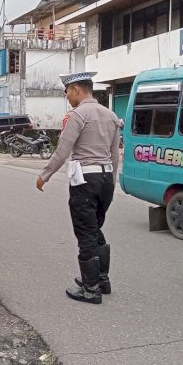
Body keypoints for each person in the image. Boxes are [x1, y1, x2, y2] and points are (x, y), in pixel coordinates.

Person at [37, 72, 120, 305]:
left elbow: (62, 151)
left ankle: (90, 289)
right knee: (95, 228)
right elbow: (115, 155)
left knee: (85, 232)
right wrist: (112, 182)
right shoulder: (111, 115)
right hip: (105, 179)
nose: (66, 96)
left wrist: (45, 175)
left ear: (75, 89)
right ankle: (102, 279)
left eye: (67, 91)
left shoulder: (77, 115)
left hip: (85, 180)